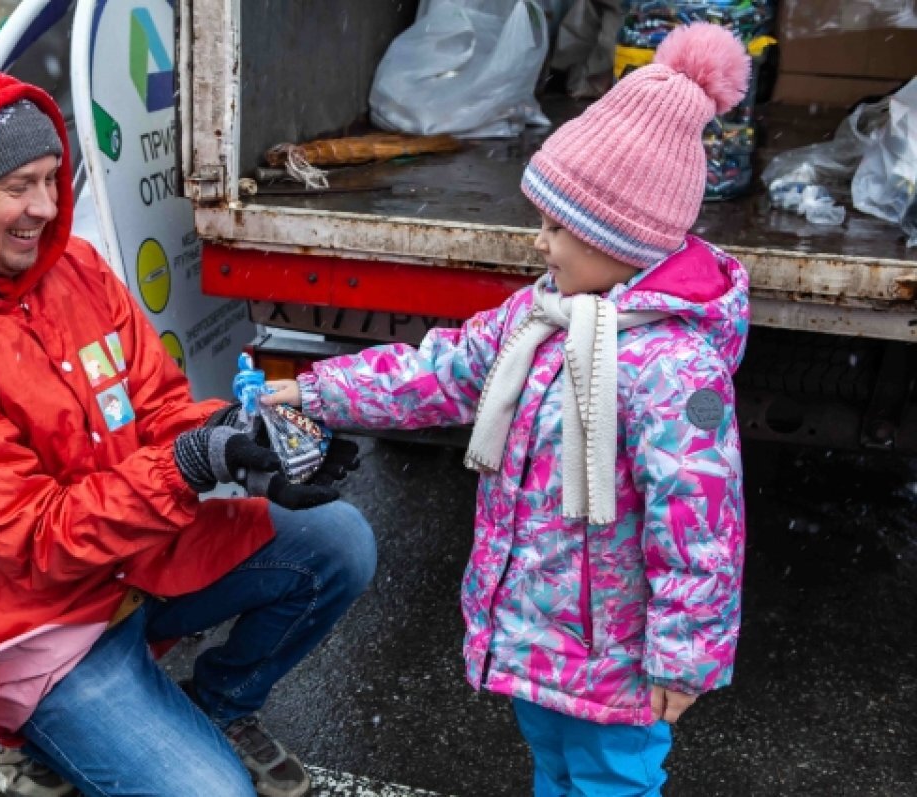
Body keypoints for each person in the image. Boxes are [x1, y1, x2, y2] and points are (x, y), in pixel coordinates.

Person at [0, 52, 375, 797]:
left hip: (140, 560)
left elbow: (162, 408)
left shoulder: (72, 267)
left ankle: (218, 708)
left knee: (341, 541)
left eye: (52, 178)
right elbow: (35, 539)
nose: (47, 207)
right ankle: (28, 734)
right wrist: (193, 464)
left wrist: (255, 441)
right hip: (37, 623)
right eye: (19, 187)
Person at [263, 22, 750, 796]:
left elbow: (701, 524)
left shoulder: (672, 366)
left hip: (618, 654)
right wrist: (318, 391)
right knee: (553, 769)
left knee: (611, 780)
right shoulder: (542, 315)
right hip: (542, 637)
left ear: (623, 234)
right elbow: (439, 372)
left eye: (560, 226)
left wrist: (685, 656)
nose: (542, 244)